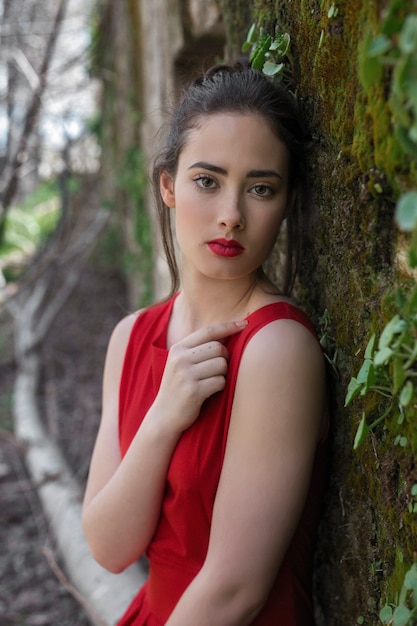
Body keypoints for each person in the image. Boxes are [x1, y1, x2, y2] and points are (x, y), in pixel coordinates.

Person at [82, 61, 329, 626]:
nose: (231, 216)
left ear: (286, 203)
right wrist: (164, 417)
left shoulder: (278, 349)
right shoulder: (131, 338)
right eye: (207, 181)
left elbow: (234, 591)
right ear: (168, 185)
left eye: (260, 188)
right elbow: (109, 547)